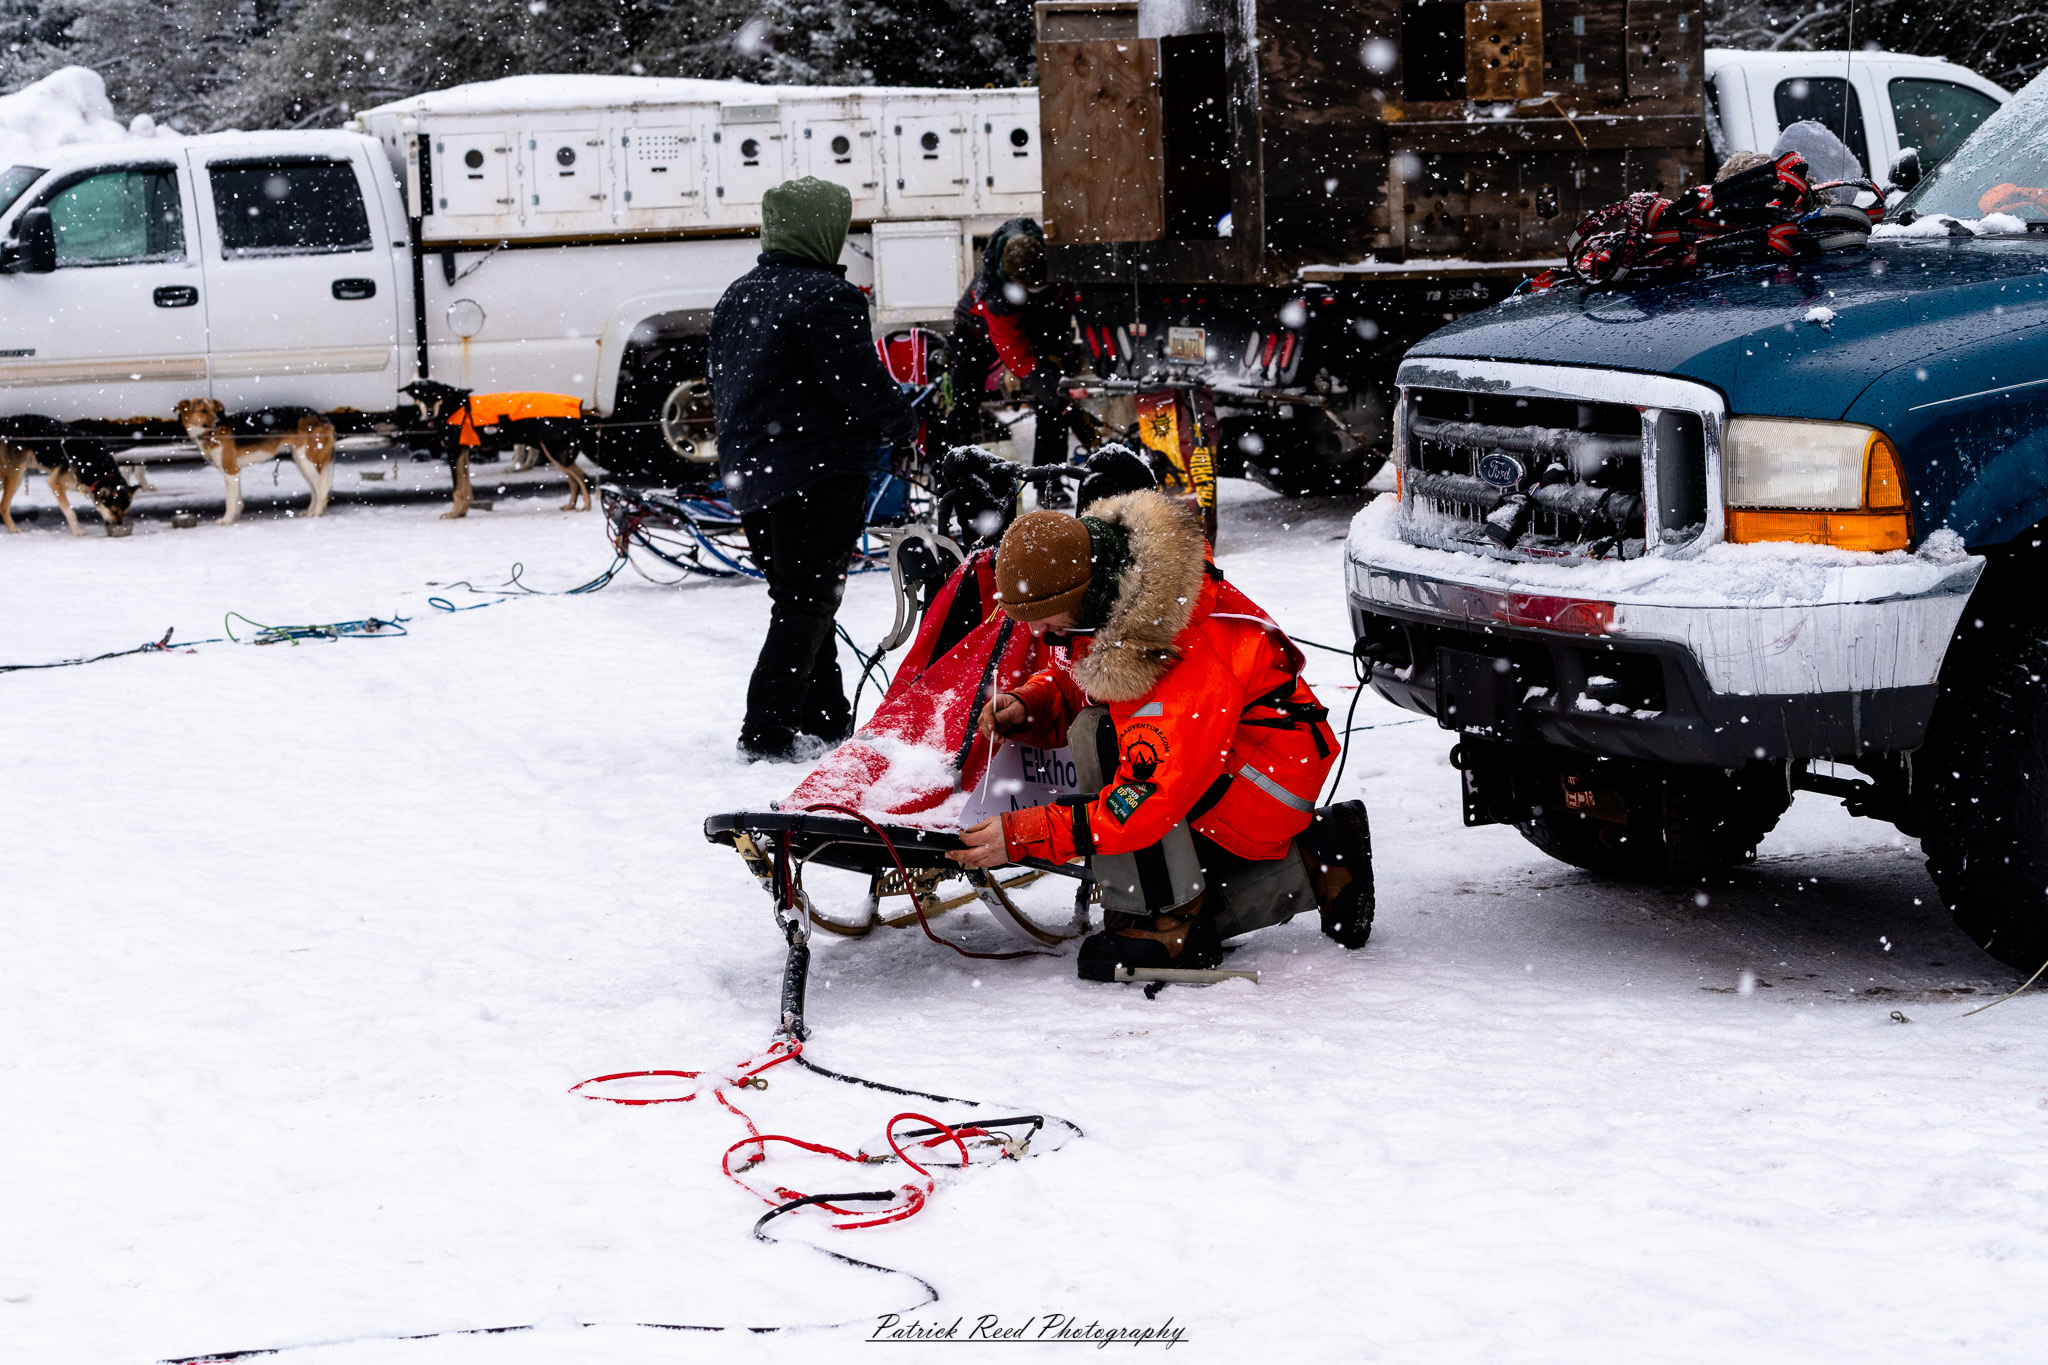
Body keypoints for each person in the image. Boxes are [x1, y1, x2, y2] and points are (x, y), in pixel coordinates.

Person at [945, 489, 1374, 981]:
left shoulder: (1183, 640)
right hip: (1233, 769)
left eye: (1043, 619)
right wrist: (1033, 704)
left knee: (1101, 737)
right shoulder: (1117, 594)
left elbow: (1147, 796)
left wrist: (1024, 835)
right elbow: (1090, 678)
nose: (1039, 634)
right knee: (1105, 738)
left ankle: (1165, 923)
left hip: (1263, 781)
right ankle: (1318, 863)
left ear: (1081, 594)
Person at [709, 177, 918, 763]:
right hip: (817, 472)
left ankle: (827, 722)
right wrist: (903, 424)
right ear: (825, 229)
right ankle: (767, 732)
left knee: (804, 596)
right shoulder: (826, 296)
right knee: (806, 601)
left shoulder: (739, 293)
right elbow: (859, 384)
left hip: (751, 475)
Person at [941, 218, 1081, 506]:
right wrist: (1056, 397)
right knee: (965, 403)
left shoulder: (1054, 262)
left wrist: (1058, 386)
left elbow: (1066, 307)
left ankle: (1049, 483)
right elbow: (1018, 357)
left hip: (1038, 323)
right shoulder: (994, 292)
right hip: (975, 331)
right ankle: (954, 484)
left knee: (1052, 395)